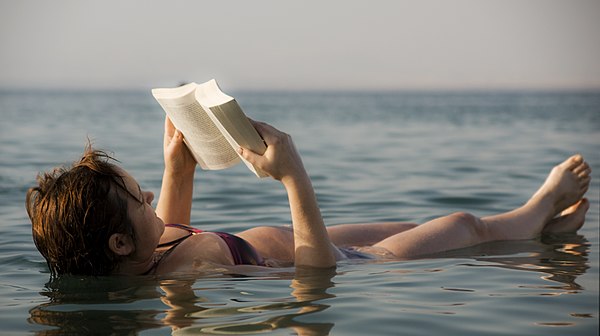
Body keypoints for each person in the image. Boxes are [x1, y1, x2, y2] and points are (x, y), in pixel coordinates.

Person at [26, 117, 591, 276]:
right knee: (464, 225)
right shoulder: (182, 283)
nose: (151, 195)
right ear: (119, 241)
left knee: (412, 219)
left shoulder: (142, 255)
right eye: (140, 199)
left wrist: (180, 168)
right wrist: (294, 174)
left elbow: (167, 232)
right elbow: (316, 278)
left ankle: (540, 234)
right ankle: (538, 209)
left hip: (306, 243)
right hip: (335, 258)